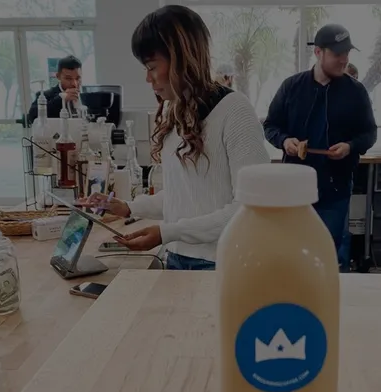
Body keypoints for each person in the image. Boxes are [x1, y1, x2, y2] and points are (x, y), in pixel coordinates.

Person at [79, 5, 270, 271]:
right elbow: (185, 197)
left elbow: (251, 208)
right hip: (177, 257)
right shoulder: (177, 111)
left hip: (223, 263)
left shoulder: (235, 110)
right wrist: (128, 208)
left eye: (152, 67)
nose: (147, 78)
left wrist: (166, 232)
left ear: (182, 58)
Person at [263, 24, 377, 271]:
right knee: (292, 255)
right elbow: (270, 126)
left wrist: (350, 146)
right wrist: (284, 141)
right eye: (337, 54)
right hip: (294, 190)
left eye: (347, 53)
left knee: (328, 256)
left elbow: (370, 134)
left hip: (335, 190)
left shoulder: (356, 92)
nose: (344, 59)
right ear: (318, 52)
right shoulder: (291, 87)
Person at [26, 55, 83, 124]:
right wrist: (61, 99)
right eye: (68, 78)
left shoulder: (85, 97)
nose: (75, 84)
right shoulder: (45, 95)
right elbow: (32, 117)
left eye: (78, 78)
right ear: (58, 76)